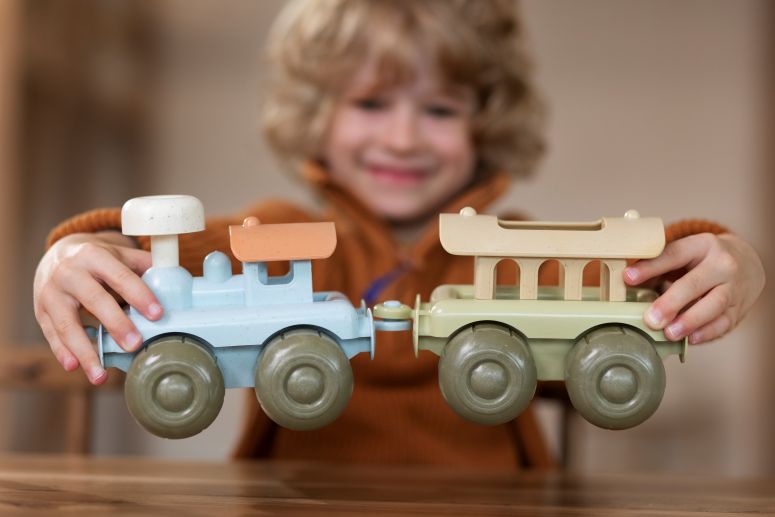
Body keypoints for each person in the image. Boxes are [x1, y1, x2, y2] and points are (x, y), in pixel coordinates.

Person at [33, 0, 765, 468]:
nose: (404, 136)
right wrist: (76, 252)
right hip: (298, 500)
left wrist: (726, 258)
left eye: (439, 109)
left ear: (485, 122)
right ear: (317, 113)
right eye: (372, 102)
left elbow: (645, 267)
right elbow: (141, 255)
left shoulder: (514, 249)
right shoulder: (283, 231)